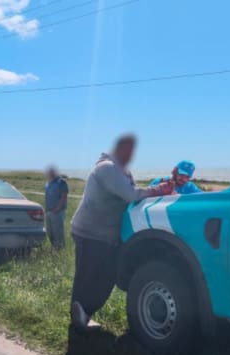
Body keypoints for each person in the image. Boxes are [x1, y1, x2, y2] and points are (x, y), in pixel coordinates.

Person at [69, 134, 174, 330]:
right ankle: (79, 318)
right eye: (128, 150)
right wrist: (157, 190)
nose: (131, 155)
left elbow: (130, 190)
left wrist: (155, 190)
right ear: (119, 150)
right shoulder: (107, 168)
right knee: (88, 276)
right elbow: (130, 194)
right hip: (89, 232)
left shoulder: (120, 170)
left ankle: (84, 313)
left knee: (106, 276)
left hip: (105, 234)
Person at [44, 166, 68, 249]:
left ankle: (60, 248)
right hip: (48, 211)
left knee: (57, 231)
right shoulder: (48, 183)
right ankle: (54, 247)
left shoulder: (61, 182)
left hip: (57, 211)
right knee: (50, 232)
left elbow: (63, 196)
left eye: (51, 172)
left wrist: (58, 208)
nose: (49, 174)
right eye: (48, 172)